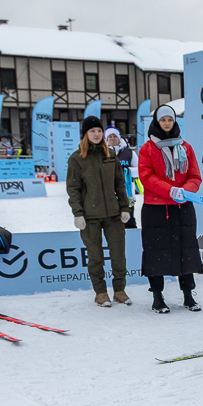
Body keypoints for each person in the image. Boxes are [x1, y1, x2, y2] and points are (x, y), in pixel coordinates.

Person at [137, 105, 203, 313]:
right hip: (156, 209)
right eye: (163, 120)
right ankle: (157, 297)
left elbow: (195, 176)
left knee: (186, 252)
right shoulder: (147, 149)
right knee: (156, 253)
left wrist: (184, 191)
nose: (167, 123)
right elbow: (146, 176)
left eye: (170, 120)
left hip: (183, 208)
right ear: (157, 122)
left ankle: (188, 295)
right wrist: (169, 190)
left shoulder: (186, 147)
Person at [66, 116, 132, 307]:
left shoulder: (110, 154)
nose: (96, 134)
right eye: (92, 131)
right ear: (85, 134)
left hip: (113, 215)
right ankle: (101, 292)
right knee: (95, 257)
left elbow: (120, 183)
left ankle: (119, 290)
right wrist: (78, 213)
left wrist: (124, 207)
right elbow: (73, 188)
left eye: (99, 131)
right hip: (90, 216)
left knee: (118, 255)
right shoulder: (77, 158)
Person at [106, 127, 139, 229]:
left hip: (127, 193)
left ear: (119, 138)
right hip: (108, 193)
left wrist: (126, 171)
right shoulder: (102, 152)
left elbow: (139, 169)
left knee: (129, 220)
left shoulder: (129, 153)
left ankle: (131, 237)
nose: (112, 138)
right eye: (110, 137)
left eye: (114, 136)